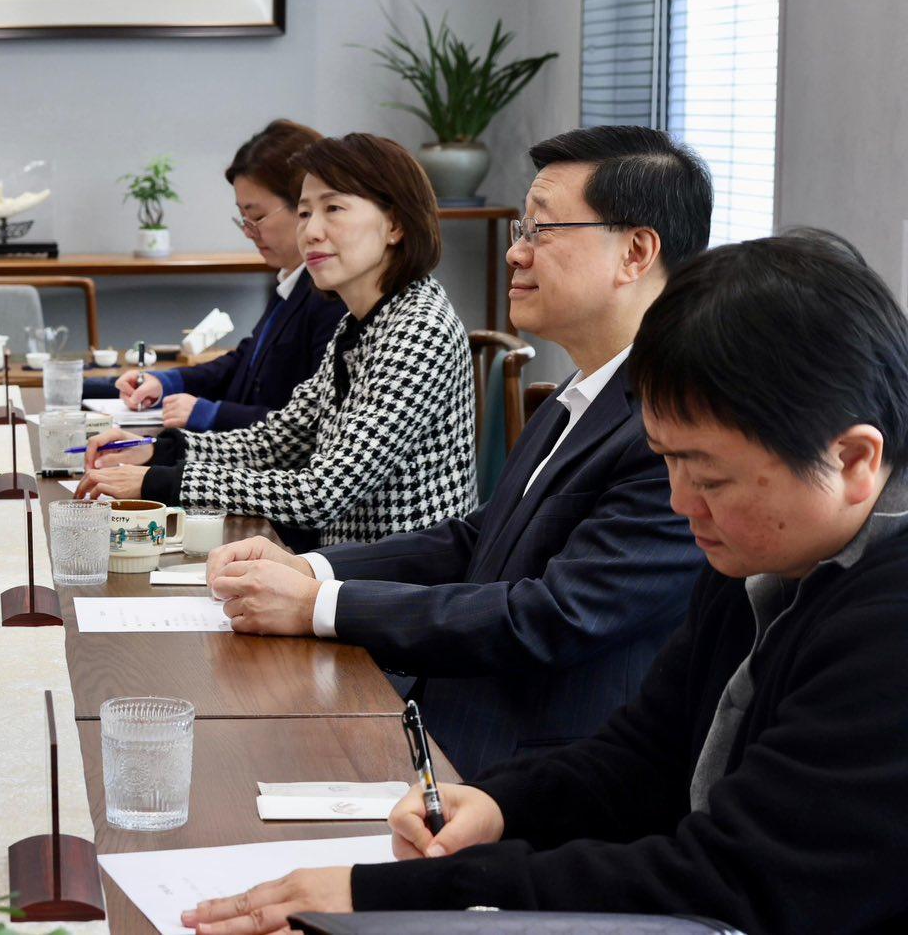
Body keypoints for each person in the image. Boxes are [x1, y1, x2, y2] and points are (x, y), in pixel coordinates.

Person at [181, 231, 908, 935]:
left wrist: (395, 895)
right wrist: (496, 805)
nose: (682, 501)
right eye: (668, 463)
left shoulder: (886, 626)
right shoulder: (764, 554)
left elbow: (729, 881)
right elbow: (644, 756)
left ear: (852, 460)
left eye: (709, 477)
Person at [203, 126, 711, 774]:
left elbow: (553, 616)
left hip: (530, 771)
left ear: (636, 252)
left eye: (540, 232)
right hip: (446, 714)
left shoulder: (672, 423)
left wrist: (319, 606)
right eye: (519, 232)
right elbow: (478, 539)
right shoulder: (582, 391)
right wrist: (314, 570)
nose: (515, 255)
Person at [82, 133, 474, 547]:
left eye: (333, 209)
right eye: (304, 213)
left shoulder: (419, 328)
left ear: (394, 224)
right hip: (347, 572)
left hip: (401, 586)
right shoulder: (359, 325)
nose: (312, 232)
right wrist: (155, 451)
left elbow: (320, 494)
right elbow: (275, 442)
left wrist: (160, 481)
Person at [101, 120, 345, 432]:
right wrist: (167, 381)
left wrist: (211, 414)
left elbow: (309, 428)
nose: (248, 231)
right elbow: (246, 362)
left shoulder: (332, 295)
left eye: (256, 217)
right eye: (242, 218)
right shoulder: (292, 280)